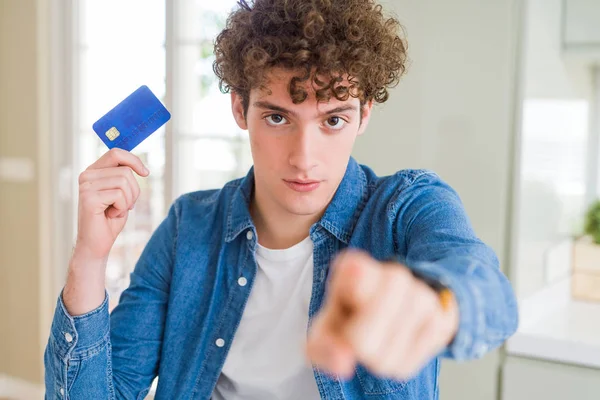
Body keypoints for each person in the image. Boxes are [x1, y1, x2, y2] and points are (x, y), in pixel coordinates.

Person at [44, 0, 518, 399]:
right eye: (277, 118)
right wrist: (90, 255)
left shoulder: (407, 207)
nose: (304, 159)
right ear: (239, 109)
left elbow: (489, 294)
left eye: (332, 120)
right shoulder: (188, 225)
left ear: (364, 114)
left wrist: (435, 304)